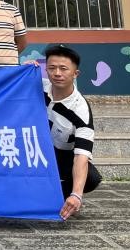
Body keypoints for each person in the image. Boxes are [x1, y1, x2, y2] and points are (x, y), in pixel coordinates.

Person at [30, 44, 101, 220]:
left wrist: (76, 194)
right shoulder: (36, 87)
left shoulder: (81, 112)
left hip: (60, 155)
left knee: (91, 177)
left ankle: (55, 199)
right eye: (52, 68)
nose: (57, 73)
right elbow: (8, 85)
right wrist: (22, 71)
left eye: (63, 69)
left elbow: (81, 156)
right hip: (31, 148)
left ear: (75, 74)